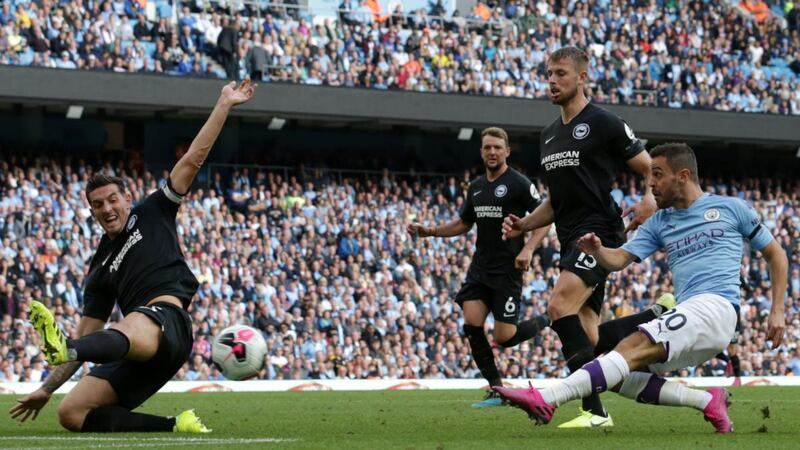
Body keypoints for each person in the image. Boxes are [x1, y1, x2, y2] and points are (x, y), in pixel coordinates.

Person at [10, 80, 257, 432]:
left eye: (113, 200)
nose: (107, 208)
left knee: (129, 324)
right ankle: (175, 425)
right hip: (139, 354)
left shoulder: (155, 210)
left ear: (127, 199)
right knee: (72, 413)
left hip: (167, 324)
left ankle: (69, 347)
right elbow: (87, 333)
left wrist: (224, 104)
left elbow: (193, 158)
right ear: (91, 212)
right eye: (97, 205)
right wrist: (46, 389)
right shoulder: (99, 269)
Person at [495, 143, 787, 433]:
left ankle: (546, 399)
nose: (650, 183)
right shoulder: (659, 222)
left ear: (683, 176)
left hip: (716, 307)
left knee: (628, 349)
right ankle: (707, 400)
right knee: (608, 360)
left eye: (657, 175)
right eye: (649, 176)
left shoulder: (730, 208)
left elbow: (777, 254)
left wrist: (777, 311)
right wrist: (598, 250)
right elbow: (620, 258)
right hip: (690, 314)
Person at [501, 46, 671, 428]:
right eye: (548, 73)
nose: (552, 80)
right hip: (569, 235)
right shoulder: (548, 135)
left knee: (558, 306)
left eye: (561, 73)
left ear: (582, 77)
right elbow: (556, 199)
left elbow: (651, 167)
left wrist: (649, 200)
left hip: (598, 230)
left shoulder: (604, 121)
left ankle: (594, 411)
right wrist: (524, 224)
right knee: (589, 337)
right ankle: (656, 316)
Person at [407, 127, 551, 408]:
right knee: (471, 323)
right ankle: (497, 388)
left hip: (508, 269)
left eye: (498, 147)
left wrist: (528, 248)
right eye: (487, 147)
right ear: (482, 151)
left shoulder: (520, 183)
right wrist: (431, 231)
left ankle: (547, 321)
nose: (493, 152)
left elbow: (545, 218)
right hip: (481, 267)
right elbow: (463, 223)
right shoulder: (475, 187)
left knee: (504, 337)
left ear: (507, 151)